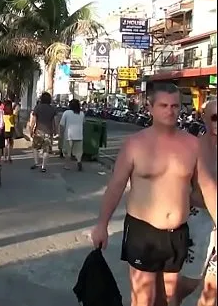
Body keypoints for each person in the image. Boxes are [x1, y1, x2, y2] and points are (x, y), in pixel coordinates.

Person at [90, 84, 217, 306]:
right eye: (163, 105)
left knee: (168, 299)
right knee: (143, 299)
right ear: (150, 107)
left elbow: (208, 188)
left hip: (176, 234)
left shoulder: (192, 145)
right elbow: (116, 185)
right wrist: (102, 224)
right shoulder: (135, 144)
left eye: (175, 106)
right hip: (143, 232)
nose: (170, 111)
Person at [173, 100, 217, 306]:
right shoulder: (197, 147)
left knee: (213, 289)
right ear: (205, 119)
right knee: (188, 283)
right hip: (200, 222)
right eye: (214, 117)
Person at [29, 92, 55, 172]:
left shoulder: (37, 107)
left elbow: (33, 120)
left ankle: (36, 162)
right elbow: (55, 121)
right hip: (48, 131)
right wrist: (55, 130)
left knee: (35, 147)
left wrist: (31, 130)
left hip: (38, 131)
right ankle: (43, 166)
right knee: (46, 149)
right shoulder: (52, 109)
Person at [59, 99, 85, 171]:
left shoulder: (66, 113)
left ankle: (67, 165)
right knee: (78, 151)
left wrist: (60, 134)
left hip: (69, 135)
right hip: (79, 135)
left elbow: (62, 124)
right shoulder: (81, 113)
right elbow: (83, 123)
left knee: (68, 151)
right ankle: (79, 161)